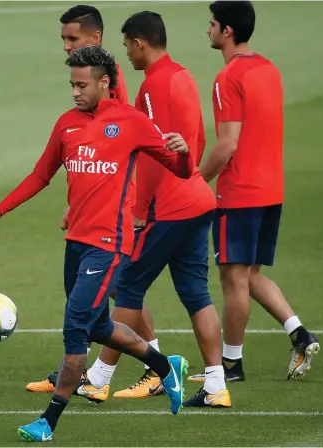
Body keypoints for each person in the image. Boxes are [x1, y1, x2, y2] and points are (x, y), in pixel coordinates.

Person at [0, 45, 192, 441]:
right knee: (96, 325)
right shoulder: (66, 124)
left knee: (75, 326)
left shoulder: (132, 121)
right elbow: (40, 175)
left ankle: (48, 421)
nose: (75, 92)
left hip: (110, 245)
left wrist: (183, 152)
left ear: (104, 82)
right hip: (76, 242)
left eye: (81, 84)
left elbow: (180, 170)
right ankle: (165, 366)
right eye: (71, 85)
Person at [75, 10, 231, 407]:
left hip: (170, 207)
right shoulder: (183, 76)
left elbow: (151, 153)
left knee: (126, 285)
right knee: (197, 293)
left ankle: (99, 376)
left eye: (128, 46)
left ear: (139, 43)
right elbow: (190, 143)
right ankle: (216, 386)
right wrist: (189, 177)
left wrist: (141, 207)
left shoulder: (152, 87)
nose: (126, 54)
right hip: (197, 198)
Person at [25, 5, 164, 396]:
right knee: (111, 296)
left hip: (113, 214)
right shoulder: (87, 81)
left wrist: (121, 203)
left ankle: (142, 365)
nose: (66, 47)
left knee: (121, 290)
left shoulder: (108, 87)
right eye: (63, 40)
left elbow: (120, 148)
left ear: (95, 40)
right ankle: (105, 367)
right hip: (95, 207)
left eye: (73, 39)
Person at [191, 0, 320, 384]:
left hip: (240, 192)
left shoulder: (227, 78)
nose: (208, 30)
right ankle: (299, 333)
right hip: (271, 189)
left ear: (227, 31)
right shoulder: (268, 68)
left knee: (233, 278)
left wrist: (195, 181)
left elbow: (227, 143)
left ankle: (231, 365)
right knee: (249, 274)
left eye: (212, 24)